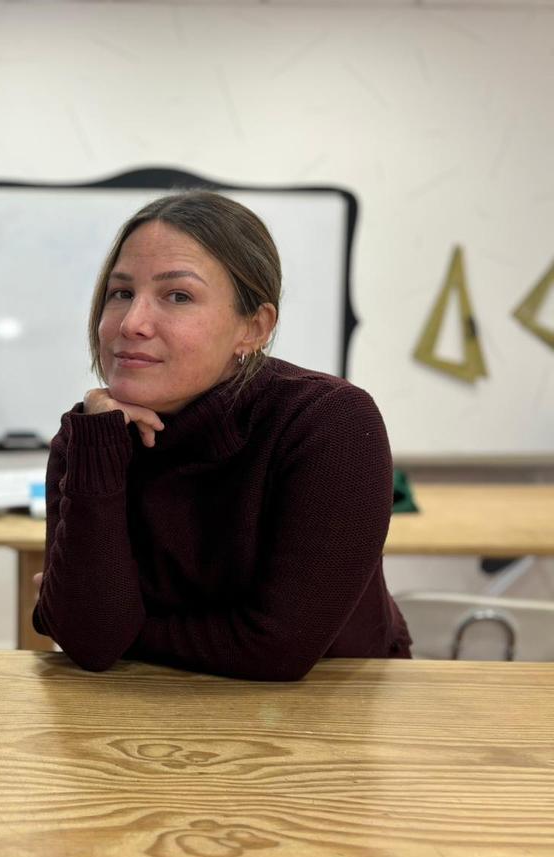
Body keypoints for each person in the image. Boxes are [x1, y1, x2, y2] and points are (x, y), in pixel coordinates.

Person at [33, 191, 411, 680]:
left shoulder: (328, 422)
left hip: (330, 710)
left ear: (253, 328)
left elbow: (279, 648)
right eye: (121, 293)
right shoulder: (92, 437)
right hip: (147, 713)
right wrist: (99, 443)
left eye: (178, 296)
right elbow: (91, 643)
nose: (131, 323)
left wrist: (77, 617)